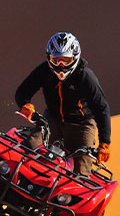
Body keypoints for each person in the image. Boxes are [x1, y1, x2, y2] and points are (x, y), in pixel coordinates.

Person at [15, 32, 111, 176]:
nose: (60, 65)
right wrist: (25, 105)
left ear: (75, 58)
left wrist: (104, 142)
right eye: (56, 60)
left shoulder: (85, 76)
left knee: (81, 171)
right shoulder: (44, 71)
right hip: (51, 120)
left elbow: (101, 108)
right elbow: (22, 91)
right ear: (49, 57)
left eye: (66, 60)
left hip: (81, 125)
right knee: (28, 149)